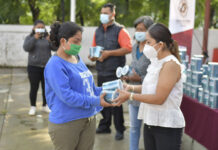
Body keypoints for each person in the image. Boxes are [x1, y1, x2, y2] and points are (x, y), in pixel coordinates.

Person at [113, 23, 185, 150]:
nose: (145, 46)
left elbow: (159, 98)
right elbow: (150, 87)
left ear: (160, 45)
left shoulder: (170, 64)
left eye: (148, 42)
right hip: (151, 121)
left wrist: (130, 96)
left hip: (166, 126)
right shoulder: (156, 61)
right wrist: (130, 87)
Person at [44, 21, 112, 150]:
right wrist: (97, 101)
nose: (79, 45)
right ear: (63, 41)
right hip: (67, 123)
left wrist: (110, 89)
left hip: (88, 118)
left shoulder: (77, 58)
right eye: (76, 41)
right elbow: (67, 96)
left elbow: (89, 89)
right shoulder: (55, 65)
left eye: (80, 41)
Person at [89, 3, 132, 140]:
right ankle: (104, 126)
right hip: (101, 70)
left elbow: (128, 48)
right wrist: (93, 56)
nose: (103, 15)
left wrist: (109, 53)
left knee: (116, 101)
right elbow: (94, 48)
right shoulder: (98, 30)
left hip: (115, 72)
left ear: (113, 14)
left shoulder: (120, 30)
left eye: (106, 13)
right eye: (102, 13)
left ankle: (120, 129)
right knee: (103, 99)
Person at [121, 16, 153, 150]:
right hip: (133, 94)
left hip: (148, 95)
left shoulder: (153, 49)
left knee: (150, 130)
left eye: (142, 29)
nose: (138, 32)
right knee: (134, 128)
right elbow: (134, 67)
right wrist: (126, 75)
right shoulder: (134, 48)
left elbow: (155, 75)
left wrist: (139, 79)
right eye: (137, 29)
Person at [23, 20, 53, 115]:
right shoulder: (30, 37)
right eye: (38, 27)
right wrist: (34, 38)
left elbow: (55, 48)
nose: (40, 29)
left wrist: (51, 40)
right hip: (33, 67)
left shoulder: (47, 38)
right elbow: (26, 48)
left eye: (42, 27)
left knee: (46, 88)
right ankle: (33, 107)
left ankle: (45, 105)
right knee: (34, 87)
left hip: (46, 67)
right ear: (34, 28)